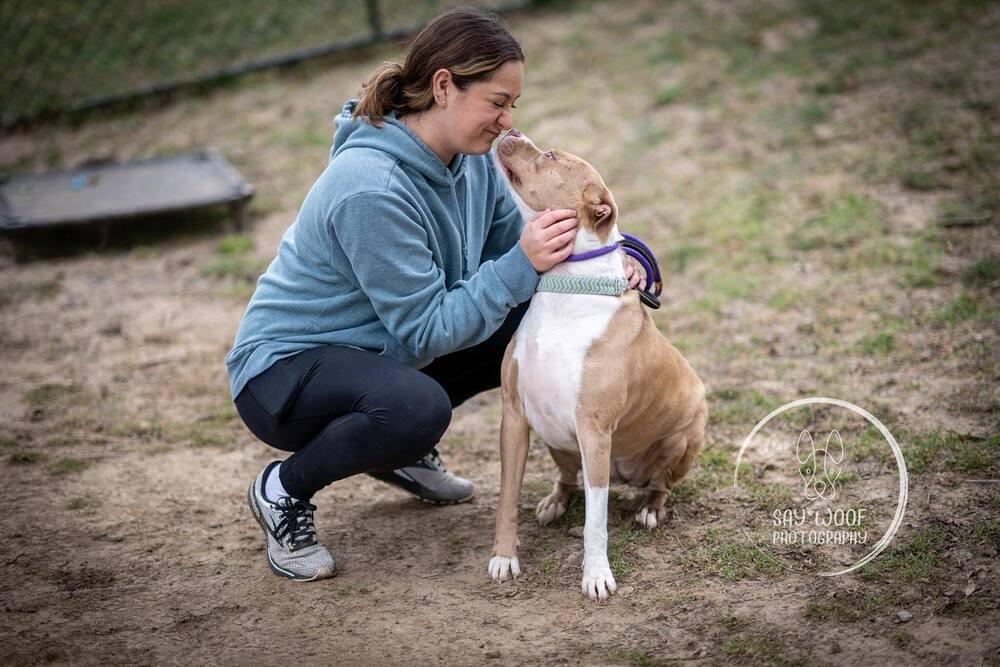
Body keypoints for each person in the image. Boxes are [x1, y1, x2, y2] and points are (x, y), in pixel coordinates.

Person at [225, 7, 642, 582]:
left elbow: (519, 261)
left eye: (513, 105)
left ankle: (394, 450)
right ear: (444, 86)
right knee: (417, 410)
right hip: (285, 374)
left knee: (530, 311)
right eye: (497, 102)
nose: (507, 121)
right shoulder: (371, 188)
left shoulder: (470, 164)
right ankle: (283, 489)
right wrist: (520, 264)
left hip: (378, 351)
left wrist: (619, 259)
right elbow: (425, 330)